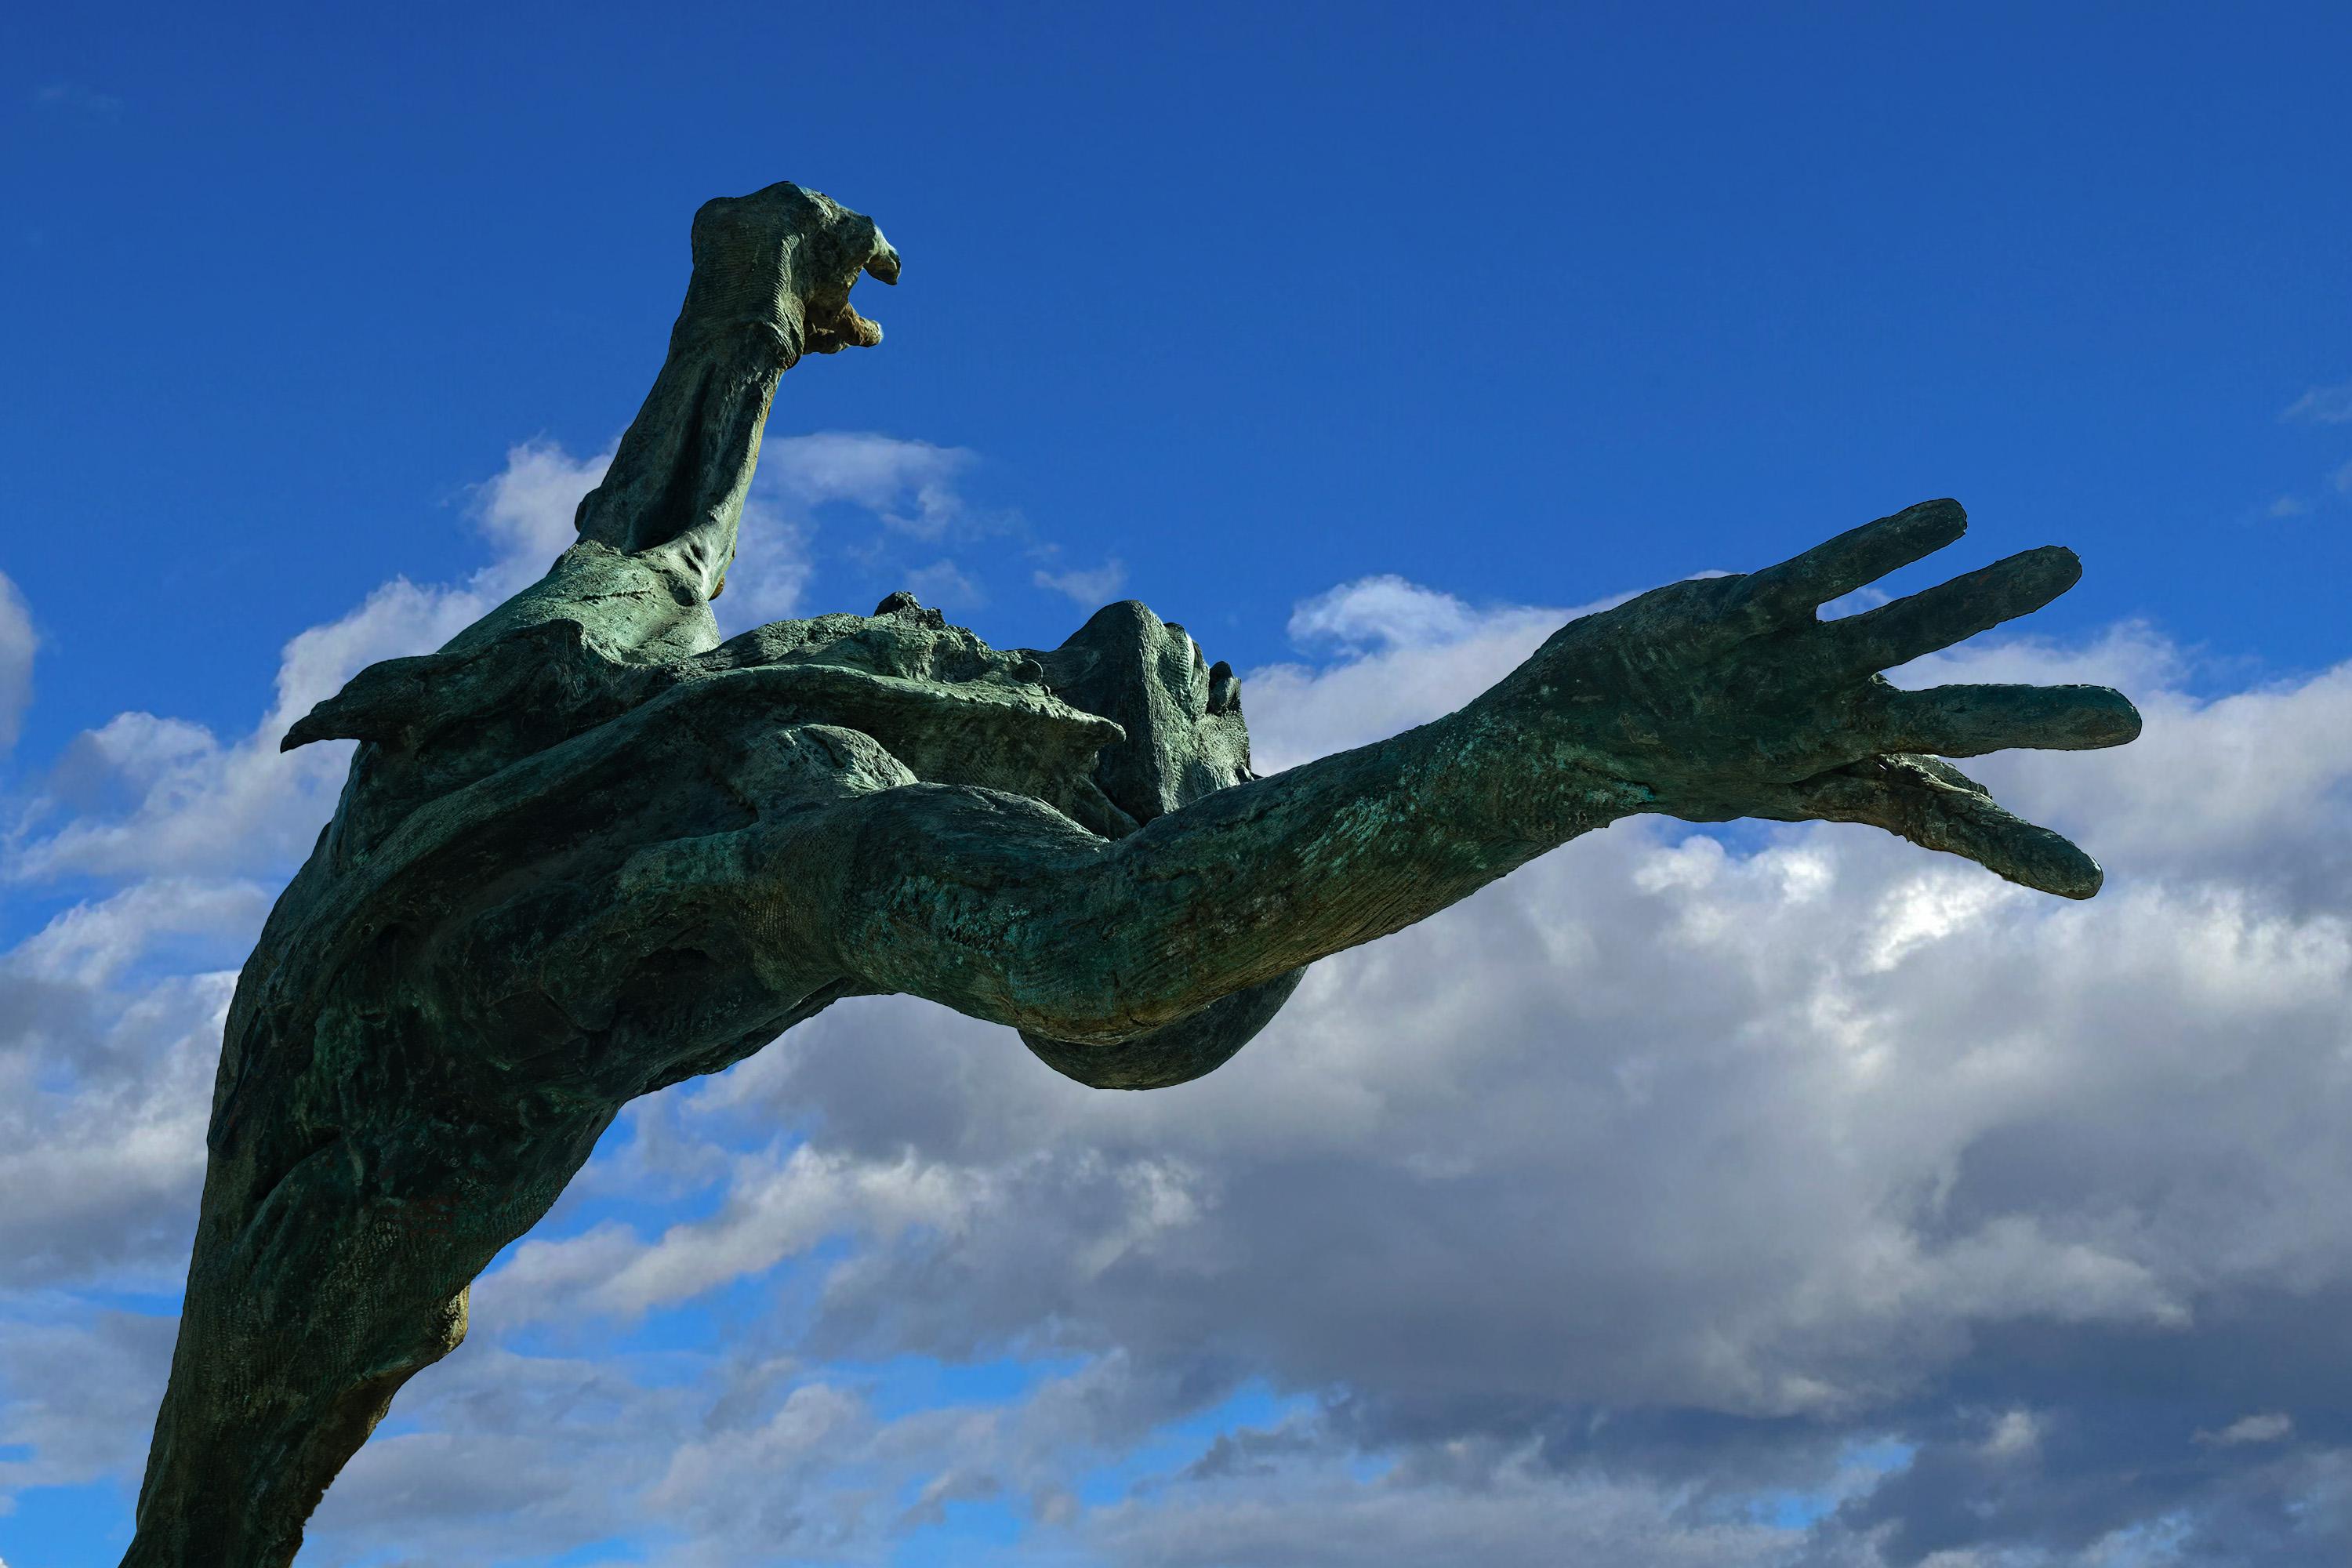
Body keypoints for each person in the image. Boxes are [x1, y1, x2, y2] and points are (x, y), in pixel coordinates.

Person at [121, 183, 2140, 1567]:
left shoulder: (740, 754)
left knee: (221, 1491)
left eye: (1204, 710)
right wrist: (1562, 745)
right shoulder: (694, 707)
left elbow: (1091, 945)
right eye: (1219, 717)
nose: (1183, 658)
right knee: (217, 1495)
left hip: (375, 1102)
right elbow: (1083, 938)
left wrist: (740, 310)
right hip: (369, 1086)